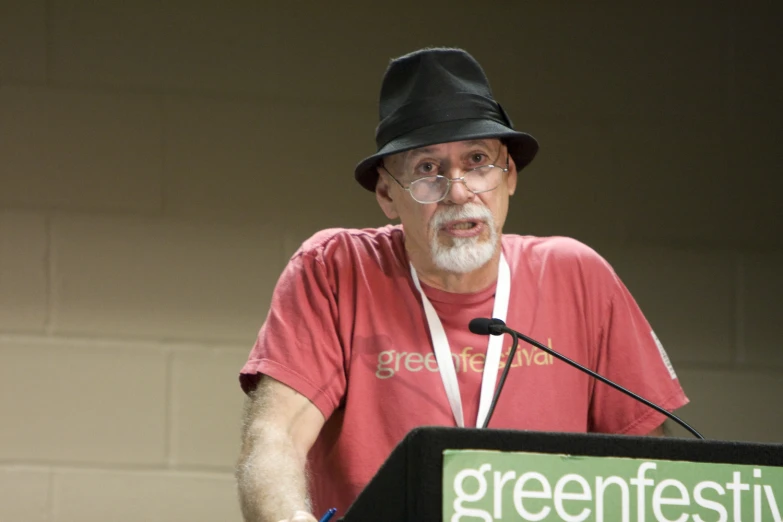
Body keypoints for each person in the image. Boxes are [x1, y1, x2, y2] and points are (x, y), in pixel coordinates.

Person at [235, 47, 689, 522]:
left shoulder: (577, 275)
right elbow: (274, 437)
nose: (458, 191)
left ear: (509, 175)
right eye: (428, 170)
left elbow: (649, 464)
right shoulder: (334, 268)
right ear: (388, 194)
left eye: (477, 161)